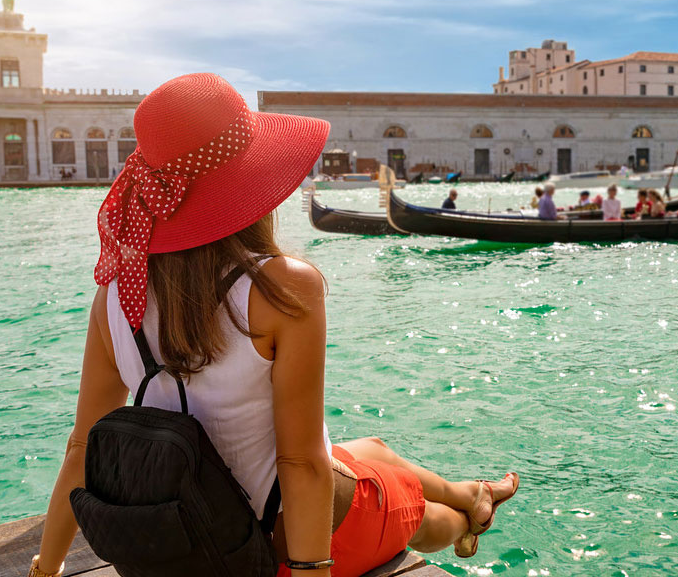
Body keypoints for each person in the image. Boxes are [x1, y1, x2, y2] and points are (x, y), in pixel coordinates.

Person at [30, 74, 518, 577]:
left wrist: (46, 569)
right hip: (274, 548)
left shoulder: (112, 297)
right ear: (249, 184)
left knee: (374, 450)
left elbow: (81, 448)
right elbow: (302, 466)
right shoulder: (283, 289)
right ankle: (465, 522)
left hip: (187, 532)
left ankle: (473, 493)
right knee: (410, 504)